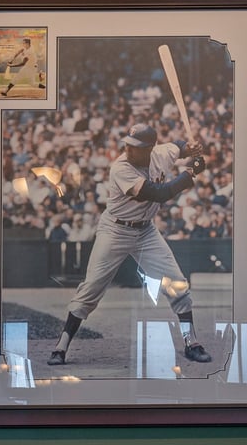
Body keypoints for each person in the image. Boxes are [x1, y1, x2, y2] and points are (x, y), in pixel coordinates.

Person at [47, 122, 212, 366]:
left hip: (146, 231)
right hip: (115, 230)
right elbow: (159, 193)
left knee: (178, 285)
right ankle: (61, 347)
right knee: (91, 289)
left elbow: (178, 147)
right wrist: (190, 174)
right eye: (128, 144)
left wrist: (190, 148)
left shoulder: (161, 153)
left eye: (136, 146)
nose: (128, 148)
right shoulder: (120, 168)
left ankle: (192, 342)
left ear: (149, 149)